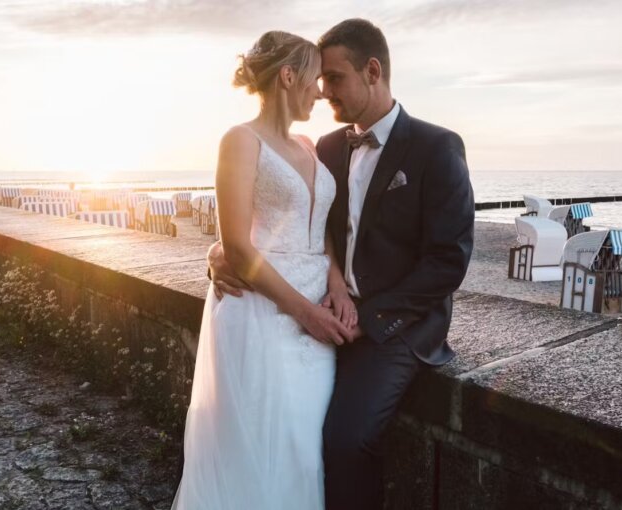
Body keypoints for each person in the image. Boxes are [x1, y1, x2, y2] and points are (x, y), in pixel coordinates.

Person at [209, 19, 475, 509]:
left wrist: (371, 318)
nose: (325, 91)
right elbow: (303, 225)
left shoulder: (436, 147)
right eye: (321, 79)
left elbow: (448, 260)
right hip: (321, 308)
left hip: (397, 324)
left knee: (346, 440)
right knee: (282, 430)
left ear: (373, 71)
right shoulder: (326, 147)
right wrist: (220, 251)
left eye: (336, 78)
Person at [171, 31, 354, 510]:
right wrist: (302, 312)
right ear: (288, 77)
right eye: (315, 79)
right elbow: (235, 243)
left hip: (316, 313)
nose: (320, 91)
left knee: (302, 451)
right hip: (263, 315)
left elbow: (323, 229)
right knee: (260, 449)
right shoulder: (240, 140)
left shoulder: (310, 144)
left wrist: (335, 283)